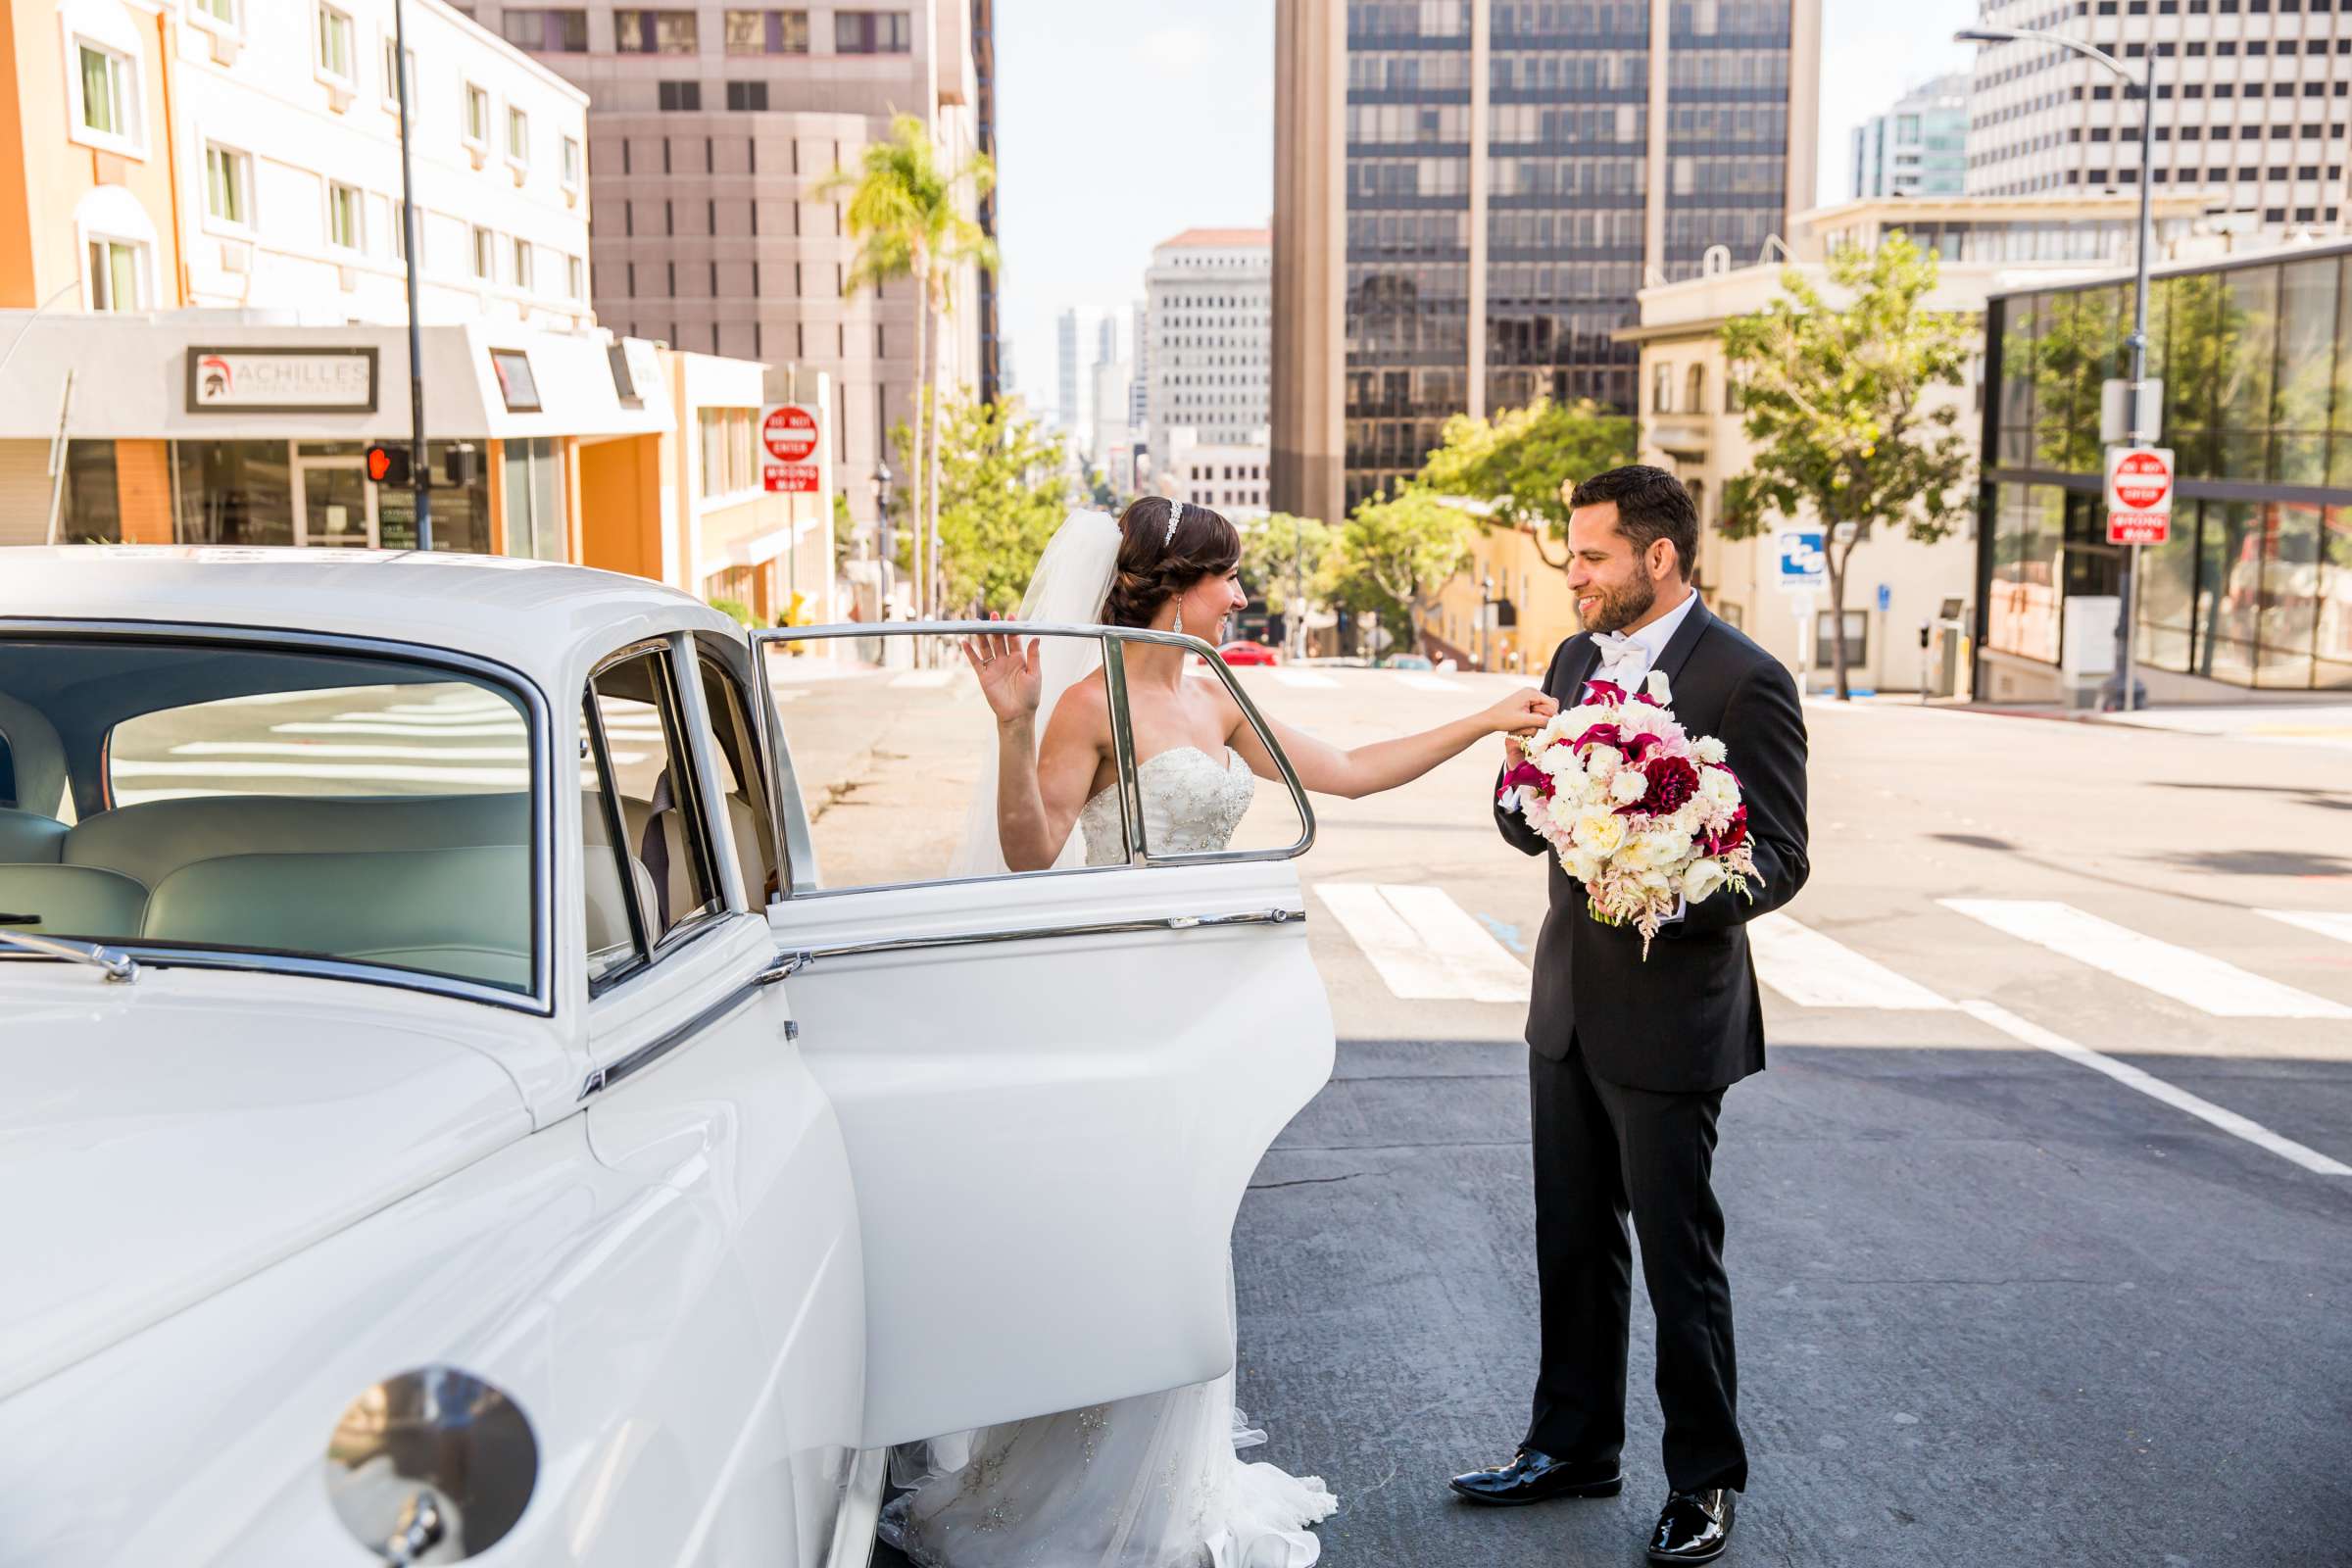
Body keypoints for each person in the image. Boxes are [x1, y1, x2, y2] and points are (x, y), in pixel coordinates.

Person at [876, 496, 1557, 1568]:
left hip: (1200, 1007)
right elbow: (1028, 848)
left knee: (1193, 1233)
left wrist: (1483, 721)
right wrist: (1015, 728)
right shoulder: (1089, 705)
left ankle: (1169, 1487)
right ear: (1171, 588)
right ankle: (1082, 1499)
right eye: (1224, 578)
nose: (1240, 595)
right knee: (1127, 1240)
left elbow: (1351, 768)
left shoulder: (1217, 695)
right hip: (1115, 1006)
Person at [1449, 465, 1810, 1564]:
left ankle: (1704, 1480)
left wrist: (1662, 887)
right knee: (1571, 1240)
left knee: (1676, 1259)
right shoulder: (1572, 657)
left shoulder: (1747, 680)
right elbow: (1532, 819)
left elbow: (1781, 859)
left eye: (1592, 555)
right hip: (1564, 1006)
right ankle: (1572, 1445)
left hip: (1671, 1018)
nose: (1575, 574)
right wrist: (1521, 791)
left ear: (1659, 557)